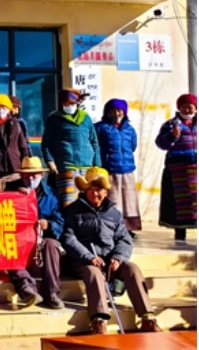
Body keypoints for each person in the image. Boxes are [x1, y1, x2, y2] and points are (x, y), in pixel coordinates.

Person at [61, 167, 161, 335]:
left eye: (99, 190)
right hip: (83, 261)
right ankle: (99, 320)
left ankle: (147, 318)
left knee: (132, 269)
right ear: (85, 190)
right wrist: (88, 257)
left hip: (109, 260)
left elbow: (124, 239)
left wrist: (118, 257)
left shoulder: (114, 213)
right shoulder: (73, 210)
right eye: (90, 190)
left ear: (106, 192)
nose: (95, 194)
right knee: (94, 273)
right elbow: (68, 238)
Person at [17, 156, 65, 310]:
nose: (30, 178)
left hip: (42, 240)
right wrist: (17, 199)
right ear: (21, 175)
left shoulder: (52, 195)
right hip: (20, 239)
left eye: (34, 174)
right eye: (26, 175)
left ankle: (52, 293)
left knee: (51, 245)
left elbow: (60, 224)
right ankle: (28, 289)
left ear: (42, 175)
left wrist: (48, 224)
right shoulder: (12, 191)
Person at [41, 88, 101, 207]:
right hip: (66, 168)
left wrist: (97, 165)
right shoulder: (54, 119)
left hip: (87, 168)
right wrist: (50, 162)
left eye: (72, 103)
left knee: (88, 202)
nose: (68, 106)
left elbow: (94, 142)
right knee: (69, 204)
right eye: (65, 103)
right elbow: (46, 144)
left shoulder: (86, 118)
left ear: (77, 103)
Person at [155, 93, 197, 245]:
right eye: (184, 107)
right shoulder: (170, 125)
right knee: (179, 205)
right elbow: (160, 143)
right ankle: (180, 236)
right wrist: (172, 136)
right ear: (179, 108)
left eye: (190, 107)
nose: (187, 110)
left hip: (196, 171)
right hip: (177, 171)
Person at [95, 98, 141, 234]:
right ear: (107, 112)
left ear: (124, 112)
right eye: (113, 110)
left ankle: (129, 228)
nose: (116, 113)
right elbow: (95, 146)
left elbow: (133, 146)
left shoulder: (130, 129)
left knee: (129, 200)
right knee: (113, 200)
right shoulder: (100, 128)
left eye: (119, 110)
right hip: (109, 169)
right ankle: (114, 227)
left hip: (127, 169)